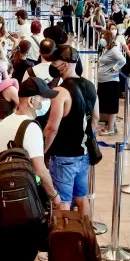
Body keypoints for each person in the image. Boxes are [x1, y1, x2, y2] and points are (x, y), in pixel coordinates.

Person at [0, 77, 62, 261]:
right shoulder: (31, 128)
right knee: (23, 257)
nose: (45, 102)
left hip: (6, 199)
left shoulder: (5, 124)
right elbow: (41, 170)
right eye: (43, 98)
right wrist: (55, 197)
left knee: (10, 255)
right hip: (26, 201)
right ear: (32, 99)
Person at [43, 45, 98, 216]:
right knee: (82, 198)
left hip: (63, 156)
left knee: (63, 202)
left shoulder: (60, 92)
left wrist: (43, 151)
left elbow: (52, 128)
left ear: (64, 64)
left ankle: (65, 240)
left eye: (54, 61)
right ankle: (85, 236)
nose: (52, 65)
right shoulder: (90, 85)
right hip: (84, 154)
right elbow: (95, 118)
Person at [96, 30, 126, 136]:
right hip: (103, 81)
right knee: (105, 105)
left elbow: (123, 60)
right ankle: (110, 125)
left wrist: (115, 68)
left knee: (111, 105)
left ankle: (111, 128)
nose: (101, 39)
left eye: (103, 37)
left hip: (111, 82)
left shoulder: (114, 50)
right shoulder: (106, 50)